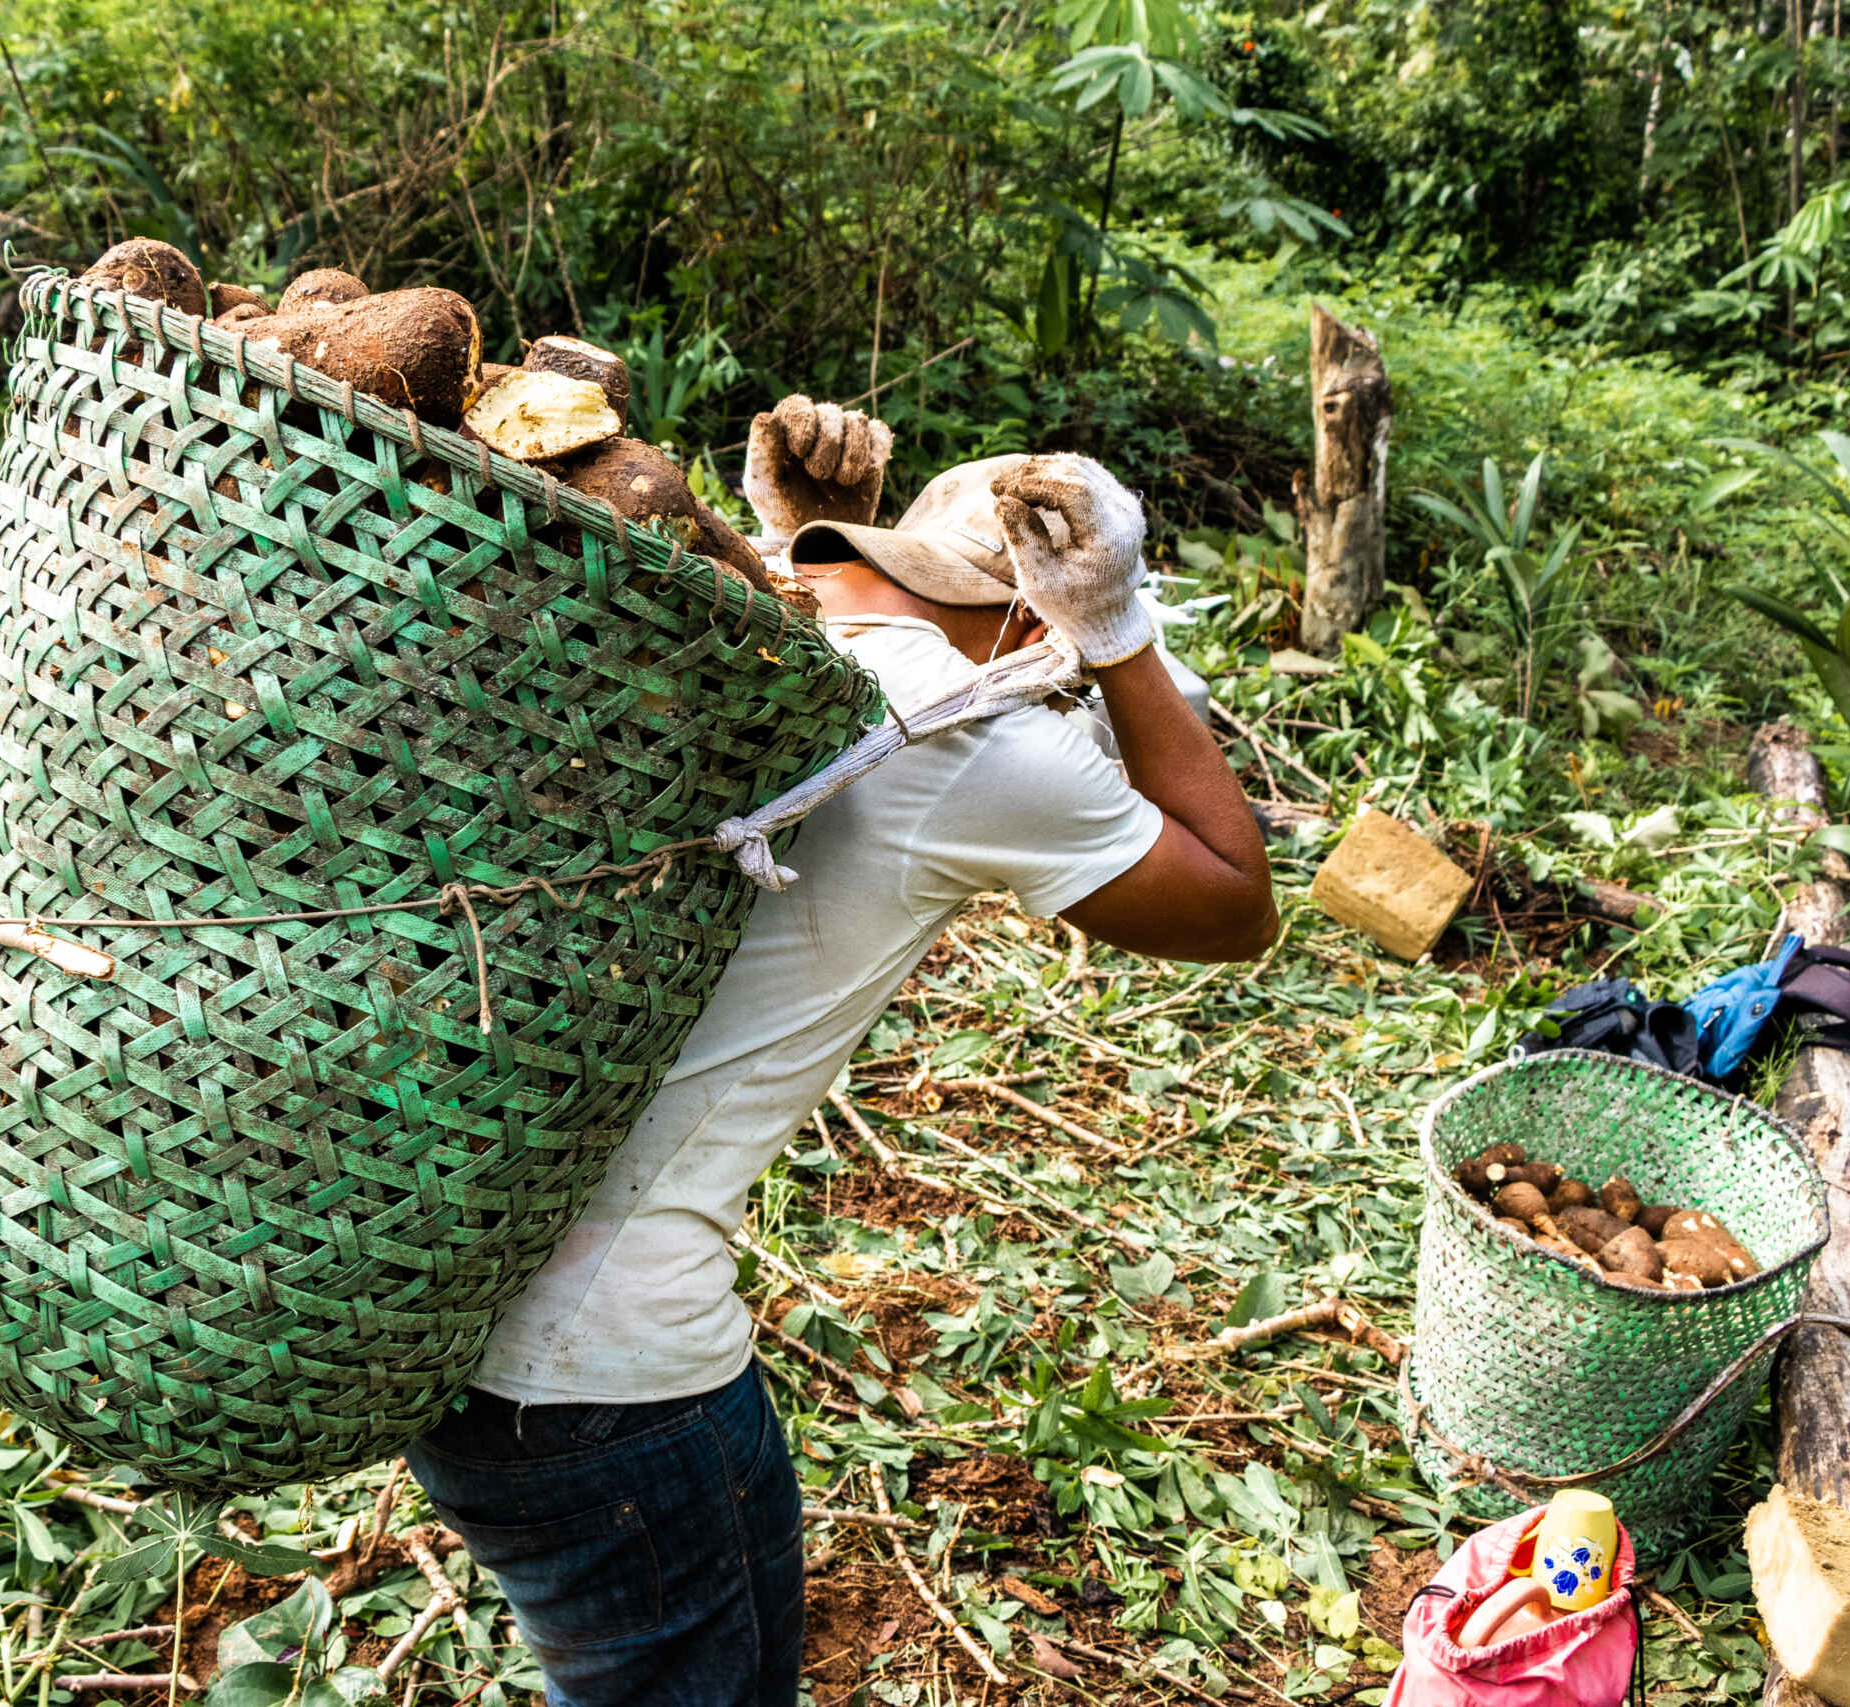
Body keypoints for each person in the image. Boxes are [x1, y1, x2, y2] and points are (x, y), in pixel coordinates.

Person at [398, 395, 1279, 1707]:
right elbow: (1235, 904)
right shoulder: (978, 744)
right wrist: (1120, 637)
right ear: (1035, 621)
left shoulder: (770, 661)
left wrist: (783, 536)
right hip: (604, 1375)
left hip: (445, 1304)